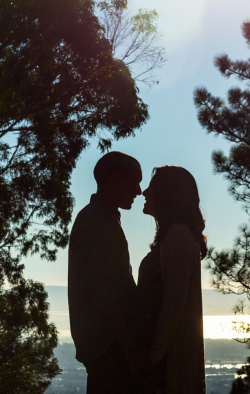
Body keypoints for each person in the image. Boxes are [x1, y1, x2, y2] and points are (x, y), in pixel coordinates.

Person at [68, 151, 152, 393]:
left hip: (105, 349)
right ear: (115, 178)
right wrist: (131, 349)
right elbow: (106, 294)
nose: (138, 191)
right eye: (134, 182)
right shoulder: (98, 222)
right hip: (109, 351)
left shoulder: (98, 218)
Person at [137, 165, 207, 394]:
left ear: (169, 194)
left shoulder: (178, 234)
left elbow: (173, 306)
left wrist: (151, 358)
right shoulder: (174, 235)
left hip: (168, 365)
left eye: (152, 187)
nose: (144, 193)